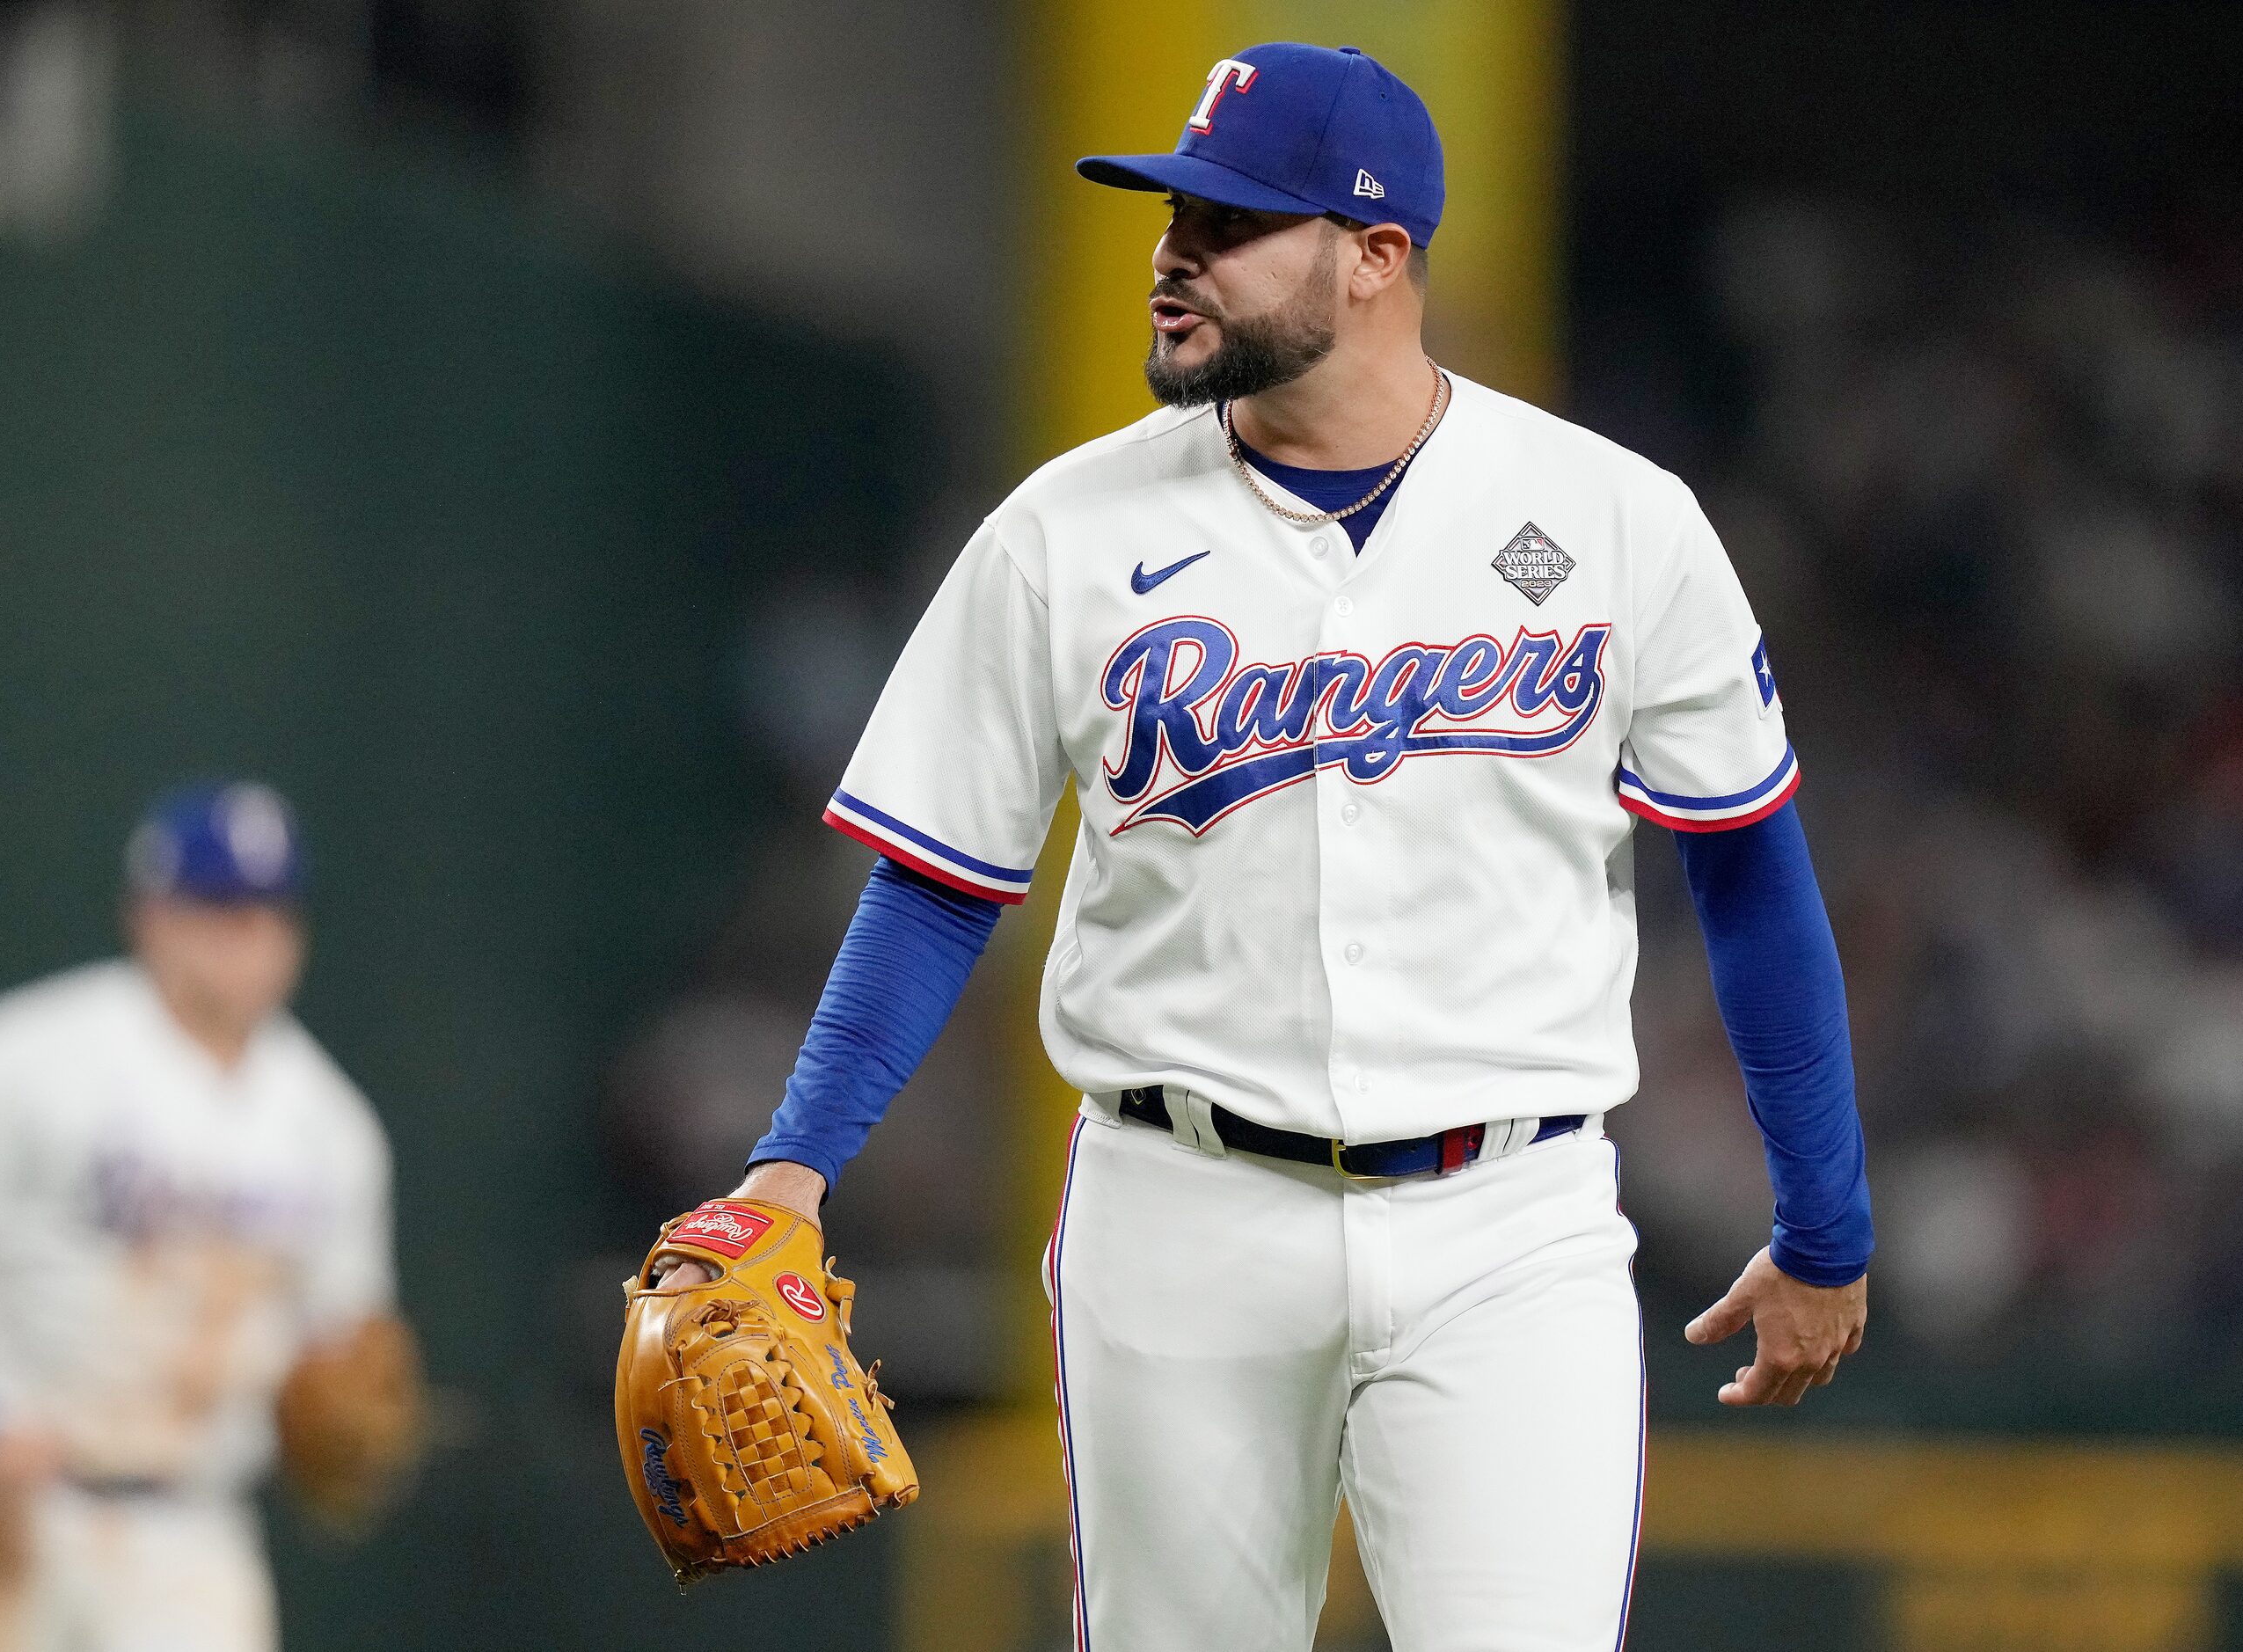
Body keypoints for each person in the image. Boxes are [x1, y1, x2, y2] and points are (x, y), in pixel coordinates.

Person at [659, 41, 1871, 1650]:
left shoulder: (1613, 520)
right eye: (1172, 214)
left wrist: (1823, 1223)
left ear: (1377, 258)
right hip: (1180, 1210)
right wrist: (792, 1163)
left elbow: (1748, 870)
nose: (1174, 254)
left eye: (1228, 223)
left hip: (1507, 1220)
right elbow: (938, 880)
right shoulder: (1061, 532)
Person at [0, 781, 406, 1652]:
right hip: (2, 1499)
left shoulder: (334, 1129)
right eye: (218, 909)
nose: (246, 940)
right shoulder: (32, 1054)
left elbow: (344, 1336)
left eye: (269, 912)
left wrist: (348, 1397)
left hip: (189, 1524)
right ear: (150, 913)